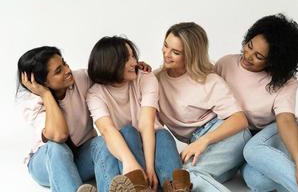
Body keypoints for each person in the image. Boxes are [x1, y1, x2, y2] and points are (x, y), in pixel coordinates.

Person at [17, 46, 152, 192]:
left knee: (103, 141)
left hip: (81, 157)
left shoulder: (80, 79)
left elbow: (107, 72)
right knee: (56, 148)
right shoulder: (32, 104)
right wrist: (46, 94)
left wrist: (130, 67)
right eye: (58, 71)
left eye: (64, 64)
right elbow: (59, 135)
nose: (67, 70)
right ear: (42, 82)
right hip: (46, 164)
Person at [86, 36, 192, 192]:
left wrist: (149, 168)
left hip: (151, 142)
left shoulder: (146, 78)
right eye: (126, 59)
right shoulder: (95, 94)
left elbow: (146, 123)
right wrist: (133, 166)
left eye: (133, 56)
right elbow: (108, 130)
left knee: (163, 135)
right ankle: (138, 186)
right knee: (128, 131)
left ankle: (175, 188)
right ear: (110, 63)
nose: (134, 62)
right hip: (123, 149)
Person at [155, 22, 251, 192]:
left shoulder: (209, 80)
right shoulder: (155, 80)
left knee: (185, 177)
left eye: (176, 52)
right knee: (178, 181)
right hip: (198, 142)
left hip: (228, 135)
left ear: (191, 56)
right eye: (165, 45)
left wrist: (203, 141)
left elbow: (239, 120)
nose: (166, 54)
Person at [215, 13, 298, 192]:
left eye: (259, 56)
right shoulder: (225, 64)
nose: (248, 56)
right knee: (257, 182)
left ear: (274, 62)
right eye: (249, 46)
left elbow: (285, 119)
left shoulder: (286, 82)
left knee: (253, 150)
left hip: (275, 134)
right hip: (242, 141)